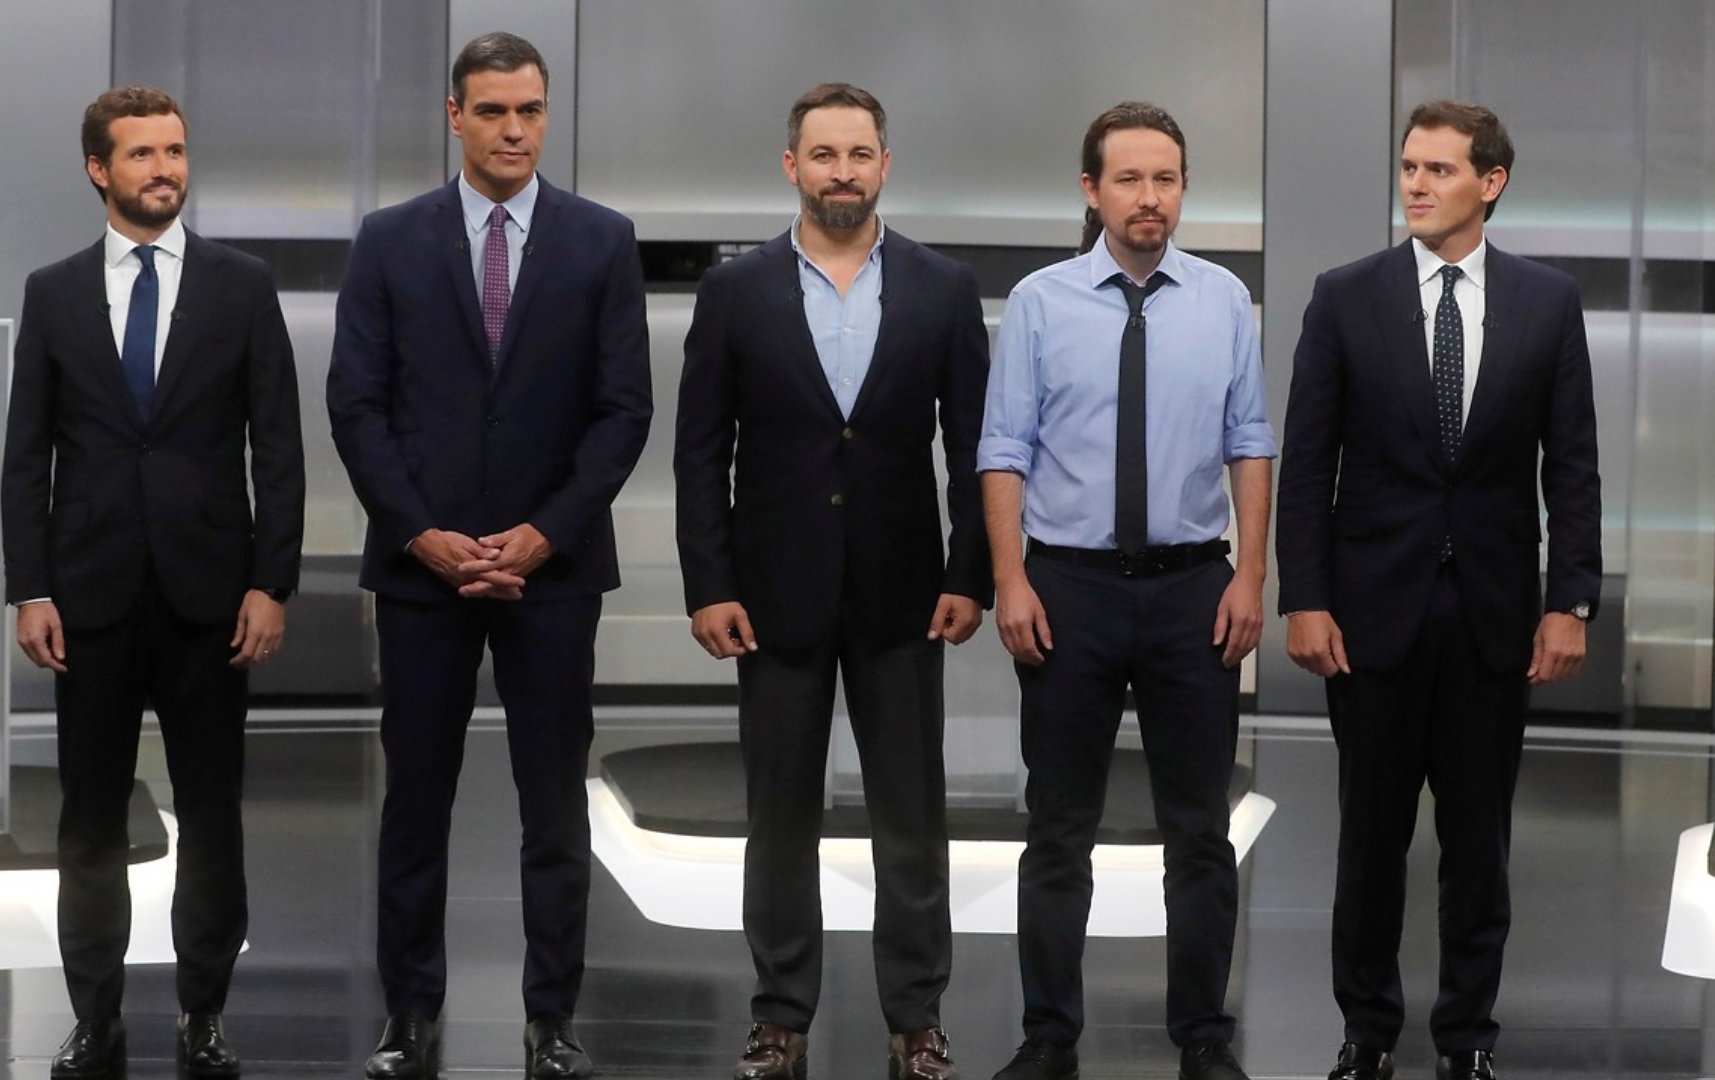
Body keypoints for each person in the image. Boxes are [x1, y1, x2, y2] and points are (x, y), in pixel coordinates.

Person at [326, 31, 652, 1080]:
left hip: (552, 572)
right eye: (494, 111)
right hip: (421, 573)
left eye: (530, 110)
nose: (515, 130)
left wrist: (543, 533)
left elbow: (623, 410)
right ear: (455, 116)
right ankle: (408, 1015)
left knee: (553, 806)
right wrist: (421, 534)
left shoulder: (602, 240)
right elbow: (356, 405)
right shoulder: (389, 239)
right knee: (415, 803)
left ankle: (551, 1017)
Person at [1275, 100, 1601, 1080]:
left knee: (1478, 847)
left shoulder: (1547, 302)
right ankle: (1366, 1035)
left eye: (1439, 169)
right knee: (1370, 842)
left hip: (1494, 615)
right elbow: (1308, 462)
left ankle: (1467, 1041)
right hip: (1370, 613)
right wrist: (1305, 595)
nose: (1415, 184)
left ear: (1490, 183)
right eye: (1409, 166)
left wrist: (1570, 600)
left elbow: (1572, 467)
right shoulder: (1346, 296)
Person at [674, 82, 991, 1080]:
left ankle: (916, 1018)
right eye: (823, 155)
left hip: (907, 594)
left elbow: (974, 449)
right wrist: (708, 583)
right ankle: (780, 1016)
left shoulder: (942, 288)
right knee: (778, 819)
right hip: (772, 596)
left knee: (912, 820)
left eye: (859, 155)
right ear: (792, 167)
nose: (842, 173)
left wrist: (971, 570)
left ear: (884, 165)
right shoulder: (735, 292)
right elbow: (700, 452)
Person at [1, 85, 305, 1079]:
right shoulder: (53, 292)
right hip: (88, 597)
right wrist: (30, 588)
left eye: (174, 151)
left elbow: (279, 447)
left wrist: (272, 584)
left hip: (212, 597)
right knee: (90, 817)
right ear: (99, 169)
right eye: (142, 154)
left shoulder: (242, 286)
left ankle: (203, 1012)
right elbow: (26, 455)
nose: (164, 169)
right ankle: (94, 1015)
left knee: (213, 816)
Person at [978, 102, 1274, 1080]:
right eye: (1130, 179)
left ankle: (1203, 1039)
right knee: (1058, 830)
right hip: (1069, 588)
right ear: (1092, 189)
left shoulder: (1224, 301)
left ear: (1183, 188)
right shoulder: (1040, 302)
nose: (1150, 198)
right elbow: (1004, 449)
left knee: (1200, 832)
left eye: (1166, 179)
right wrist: (1010, 579)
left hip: (1194, 589)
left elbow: (1250, 442)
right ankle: (1048, 1038)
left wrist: (1251, 575)